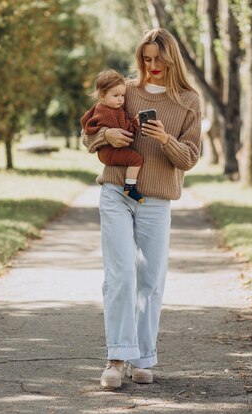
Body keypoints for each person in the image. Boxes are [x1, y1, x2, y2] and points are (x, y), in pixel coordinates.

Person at [82, 28, 201, 388]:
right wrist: (107, 136)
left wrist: (165, 140)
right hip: (117, 192)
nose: (152, 66)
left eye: (158, 59)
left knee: (149, 280)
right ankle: (117, 358)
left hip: (157, 200)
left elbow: (191, 157)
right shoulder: (126, 90)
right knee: (119, 275)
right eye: (146, 59)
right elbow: (88, 136)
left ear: (171, 59)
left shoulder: (188, 101)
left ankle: (142, 357)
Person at [80, 69, 144, 203]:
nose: (121, 99)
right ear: (102, 95)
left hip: (108, 151)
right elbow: (122, 130)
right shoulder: (107, 112)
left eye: (123, 95)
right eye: (116, 95)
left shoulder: (113, 109)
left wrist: (132, 122)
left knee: (133, 158)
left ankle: (129, 186)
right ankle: (130, 187)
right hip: (109, 152)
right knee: (136, 160)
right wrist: (134, 124)